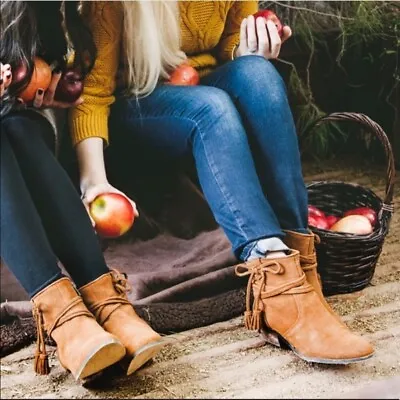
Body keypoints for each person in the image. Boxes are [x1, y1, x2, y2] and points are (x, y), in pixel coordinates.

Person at [70, 1, 374, 364]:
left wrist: (251, 46)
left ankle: (300, 270)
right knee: (210, 108)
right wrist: (94, 182)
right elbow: (94, 93)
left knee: (257, 74)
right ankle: (271, 268)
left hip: (200, 86)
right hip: (132, 110)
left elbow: (229, 44)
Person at [0, 0, 164, 381]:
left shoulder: (60, 11)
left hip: (21, 136)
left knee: (19, 128)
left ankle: (107, 304)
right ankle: (65, 320)